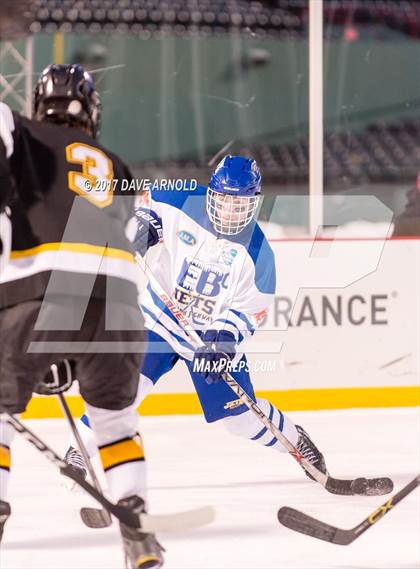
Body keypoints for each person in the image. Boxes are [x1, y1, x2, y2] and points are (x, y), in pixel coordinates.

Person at [65, 155, 328, 485]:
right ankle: (81, 448)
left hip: (210, 338)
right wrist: (145, 229)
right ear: (211, 194)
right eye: (225, 201)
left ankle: (296, 440)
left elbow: (249, 312)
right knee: (124, 388)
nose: (231, 211)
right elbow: (147, 208)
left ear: (255, 203)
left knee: (240, 420)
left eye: (241, 204)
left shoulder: (259, 254)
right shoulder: (180, 199)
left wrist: (222, 343)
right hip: (160, 321)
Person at [0, 64, 163, 568]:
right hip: (116, 304)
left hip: (36, 292)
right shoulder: (117, 164)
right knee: (114, 418)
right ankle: (136, 523)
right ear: (91, 111)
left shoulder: (19, 131)